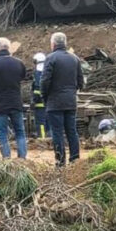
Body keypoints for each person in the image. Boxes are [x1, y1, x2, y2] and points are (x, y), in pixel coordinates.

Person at [41, 32, 85, 167]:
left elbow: (45, 81)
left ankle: (60, 162)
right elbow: (80, 81)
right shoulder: (74, 59)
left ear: (53, 44)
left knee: (57, 132)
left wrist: (45, 96)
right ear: (65, 43)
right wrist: (72, 91)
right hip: (70, 101)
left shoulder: (50, 58)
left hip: (54, 101)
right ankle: (75, 159)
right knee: (72, 131)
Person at [32, 52, 49, 139]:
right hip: (49, 103)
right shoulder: (49, 71)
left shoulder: (37, 74)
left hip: (39, 103)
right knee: (48, 121)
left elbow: (37, 89)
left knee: (41, 122)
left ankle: (42, 139)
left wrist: (34, 100)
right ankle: (50, 138)